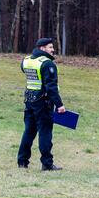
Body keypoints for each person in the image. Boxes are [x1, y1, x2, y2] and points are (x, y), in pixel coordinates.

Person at [17, 37, 67, 171]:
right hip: (43, 104)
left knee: (28, 132)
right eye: (50, 47)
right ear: (42, 48)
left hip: (29, 101)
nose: (53, 50)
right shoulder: (47, 64)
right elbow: (51, 87)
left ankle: (22, 162)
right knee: (45, 133)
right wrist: (60, 105)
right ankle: (47, 163)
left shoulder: (26, 61)